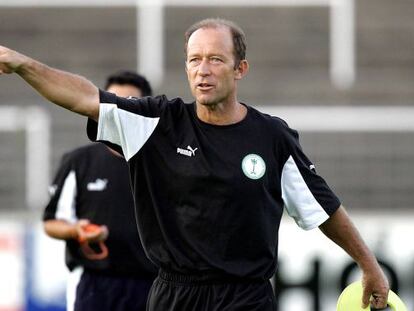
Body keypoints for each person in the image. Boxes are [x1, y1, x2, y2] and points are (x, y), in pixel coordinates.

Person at [0, 18, 389, 310]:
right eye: (194, 60)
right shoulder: (156, 123)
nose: (203, 70)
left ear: (240, 70)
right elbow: (83, 98)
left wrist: (369, 265)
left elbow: (323, 208)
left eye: (216, 59)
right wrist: (22, 64)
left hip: (246, 297)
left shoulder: (272, 138)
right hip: (174, 295)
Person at [42, 71, 157, 311]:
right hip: (94, 283)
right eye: (114, 101)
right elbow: (51, 222)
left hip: (153, 283)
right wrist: (77, 230)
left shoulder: (162, 161)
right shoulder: (79, 161)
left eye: (129, 104)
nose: (120, 111)